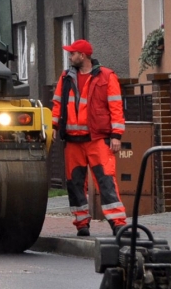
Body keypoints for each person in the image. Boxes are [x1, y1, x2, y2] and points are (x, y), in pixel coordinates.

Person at [49, 39, 128, 237]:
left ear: (82, 56)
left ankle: (118, 223)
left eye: (72, 53)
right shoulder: (65, 77)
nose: (69, 57)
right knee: (75, 184)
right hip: (73, 142)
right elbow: (57, 104)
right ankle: (81, 224)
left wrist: (116, 135)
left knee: (106, 181)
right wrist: (53, 126)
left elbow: (116, 107)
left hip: (97, 139)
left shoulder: (106, 76)